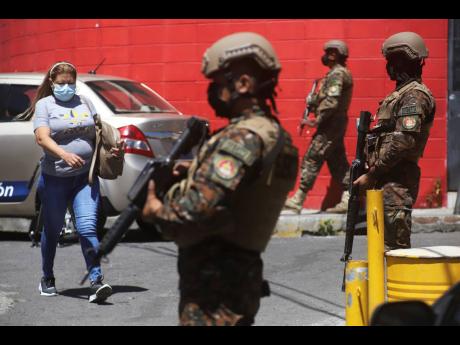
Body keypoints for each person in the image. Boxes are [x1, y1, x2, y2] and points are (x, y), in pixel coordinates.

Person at [141, 32, 299, 326]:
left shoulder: (244, 136)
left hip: (215, 289)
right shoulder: (275, 135)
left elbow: (196, 209)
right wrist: (194, 173)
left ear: (243, 84)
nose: (213, 91)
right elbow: (248, 188)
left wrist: (154, 210)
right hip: (238, 278)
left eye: (218, 84)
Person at [33, 61, 123, 302]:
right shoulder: (45, 105)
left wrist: (111, 151)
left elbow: (98, 132)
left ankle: (96, 281)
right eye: (61, 83)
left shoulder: (85, 101)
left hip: (85, 178)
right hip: (55, 179)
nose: (66, 87)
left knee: (87, 227)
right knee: (52, 231)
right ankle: (47, 277)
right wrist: (63, 154)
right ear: (52, 84)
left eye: (70, 83)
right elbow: (42, 138)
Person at [353, 32, 435, 250]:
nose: (389, 66)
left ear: (406, 61)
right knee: (378, 247)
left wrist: (372, 174)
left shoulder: (414, 95)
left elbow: (404, 141)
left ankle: (396, 286)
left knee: (394, 250)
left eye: (393, 61)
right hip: (384, 178)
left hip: (397, 181)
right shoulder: (399, 94)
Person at [284, 40, 353, 214]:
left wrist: (317, 119)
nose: (326, 55)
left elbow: (332, 101)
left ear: (337, 55)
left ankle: (298, 199)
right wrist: (314, 101)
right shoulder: (335, 74)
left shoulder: (337, 74)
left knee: (313, 156)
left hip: (330, 123)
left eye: (331, 52)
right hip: (333, 123)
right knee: (338, 162)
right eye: (327, 51)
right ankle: (350, 198)